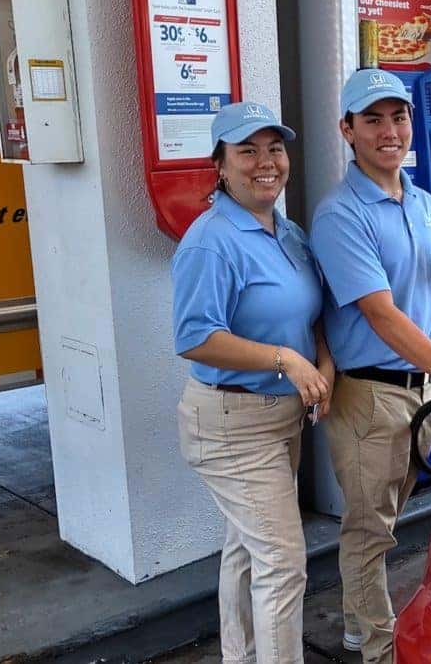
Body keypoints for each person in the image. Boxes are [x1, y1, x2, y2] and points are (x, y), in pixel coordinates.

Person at [309, 69, 431, 664]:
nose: (390, 131)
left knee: (383, 525)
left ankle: (354, 628)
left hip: (419, 395)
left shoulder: (420, 201)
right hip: (370, 398)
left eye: (399, 117)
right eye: (373, 119)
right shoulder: (341, 215)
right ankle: (379, 652)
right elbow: (383, 317)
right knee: (368, 536)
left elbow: (430, 308)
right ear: (347, 129)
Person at [171, 100, 334, 664]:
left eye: (274, 148)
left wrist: (321, 360)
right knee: (283, 563)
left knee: (248, 547)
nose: (266, 163)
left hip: (279, 417)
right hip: (229, 423)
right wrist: (286, 359)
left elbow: (304, 316)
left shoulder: (287, 232)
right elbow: (195, 337)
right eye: (247, 151)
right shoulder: (211, 240)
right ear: (219, 165)